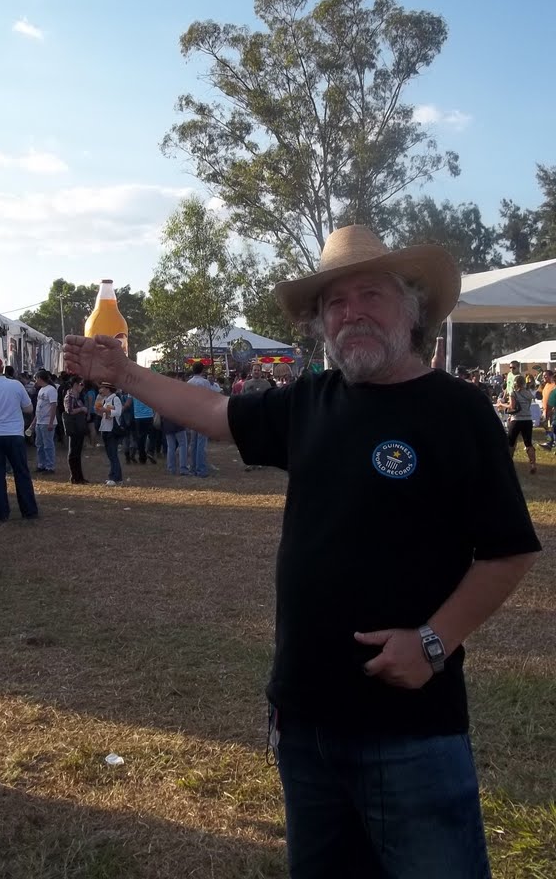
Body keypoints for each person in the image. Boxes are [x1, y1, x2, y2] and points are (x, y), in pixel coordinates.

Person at [63, 224, 541, 879]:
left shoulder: (458, 411)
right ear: (320, 324)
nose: (352, 314)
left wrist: (434, 643)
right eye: (334, 304)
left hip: (411, 730)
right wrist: (121, 372)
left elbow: (508, 552)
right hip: (305, 718)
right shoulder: (312, 401)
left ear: (411, 308)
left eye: (369, 295)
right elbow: (212, 413)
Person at [0, 356, 37, 521]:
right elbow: (28, 408)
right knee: (21, 472)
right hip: (14, 434)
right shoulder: (16, 385)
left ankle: (1, 513)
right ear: (2, 368)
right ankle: (29, 510)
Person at [498, 374, 537, 474]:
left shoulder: (513, 393)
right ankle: (533, 464)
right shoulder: (528, 393)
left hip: (516, 420)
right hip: (527, 420)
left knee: (510, 443)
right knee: (528, 443)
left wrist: (501, 404)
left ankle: (508, 464)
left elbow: (512, 406)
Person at [186, 362, 213, 478]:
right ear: (202, 370)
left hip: (192, 413)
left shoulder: (188, 383)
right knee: (201, 443)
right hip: (202, 413)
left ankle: (192, 468)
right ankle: (201, 469)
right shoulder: (205, 382)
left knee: (193, 442)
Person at [95, 381, 123, 486]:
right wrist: (100, 411)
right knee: (110, 454)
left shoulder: (115, 399)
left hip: (112, 429)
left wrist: (106, 411)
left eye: (103, 388)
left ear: (108, 389)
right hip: (105, 428)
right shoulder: (105, 399)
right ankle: (116, 476)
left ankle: (114, 477)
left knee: (113, 454)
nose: (101, 390)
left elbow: (118, 412)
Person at [63, 377, 89, 484]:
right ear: (75, 385)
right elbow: (68, 410)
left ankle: (79, 476)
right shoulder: (70, 396)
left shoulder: (78, 396)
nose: (82, 387)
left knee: (77, 452)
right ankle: (74, 476)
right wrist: (81, 409)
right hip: (74, 426)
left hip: (79, 426)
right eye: (81, 384)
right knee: (73, 451)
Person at [33, 370, 58, 473]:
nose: (35, 381)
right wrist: (33, 422)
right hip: (39, 421)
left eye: (36, 379)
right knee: (39, 444)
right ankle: (41, 464)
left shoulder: (51, 390)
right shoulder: (41, 390)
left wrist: (51, 422)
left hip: (47, 421)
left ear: (39, 378)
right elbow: (38, 407)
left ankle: (50, 466)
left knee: (48, 444)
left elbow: (53, 406)